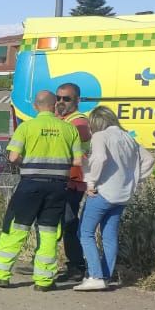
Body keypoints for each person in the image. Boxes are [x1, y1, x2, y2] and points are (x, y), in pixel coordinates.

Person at [0, 90, 85, 292]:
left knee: (16, 228)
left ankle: (1, 275)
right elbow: (78, 161)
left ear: (35, 106)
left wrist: (28, 163)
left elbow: (13, 157)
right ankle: (44, 280)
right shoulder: (69, 130)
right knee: (48, 231)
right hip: (58, 187)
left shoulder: (27, 127)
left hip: (30, 184)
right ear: (55, 105)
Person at [73, 106, 155, 291]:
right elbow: (149, 159)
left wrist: (91, 182)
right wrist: (134, 179)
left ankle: (95, 275)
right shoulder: (127, 137)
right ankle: (106, 275)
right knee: (109, 236)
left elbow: (100, 158)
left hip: (102, 192)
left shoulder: (100, 136)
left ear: (96, 122)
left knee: (85, 233)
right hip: (122, 195)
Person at [54, 82, 93, 282]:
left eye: (66, 98)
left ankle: (77, 266)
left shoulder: (78, 122)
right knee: (56, 222)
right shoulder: (62, 119)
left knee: (69, 223)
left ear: (77, 100)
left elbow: (73, 136)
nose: (60, 102)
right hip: (62, 178)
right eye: (58, 98)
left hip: (73, 181)